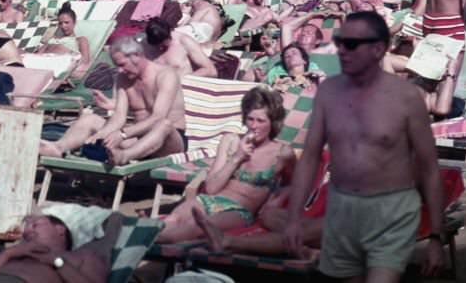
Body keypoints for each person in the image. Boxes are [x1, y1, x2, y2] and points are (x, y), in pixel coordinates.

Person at [284, 11, 446, 282]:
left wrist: (436, 237)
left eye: (351, 44)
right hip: (342, 207)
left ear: (378, 49)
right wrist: (293, 218)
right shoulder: (328, 92)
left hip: (391, 210)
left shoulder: (406, 97)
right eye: (339, 41)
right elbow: (310, 157)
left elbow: (429, 167)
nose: (341, 51)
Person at [157, 86, 295, 242]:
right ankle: (142, 239)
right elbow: (211, 188)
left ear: (273, 123)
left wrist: (276, 200)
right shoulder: (230, 141)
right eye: (250, 119)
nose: (254, 126)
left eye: (260, 120)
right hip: (209, 200)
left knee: (197, 227)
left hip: (239, 211)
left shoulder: (282, 153)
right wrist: (236, 158)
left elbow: (293, 184)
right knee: (173, 219)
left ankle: (143, 240)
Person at [39, 36, 186, 164]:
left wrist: (122, 134)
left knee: (164, 124)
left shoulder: (165, 75)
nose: (120, 70)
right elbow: (119, 117)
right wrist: (99, 135)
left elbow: (157, 118)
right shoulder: (124, 79)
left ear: (136, 55)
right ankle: (58, 147)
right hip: (137, 139)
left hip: (168, 142)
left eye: (122, 65)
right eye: (117, 66)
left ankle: (123, 157)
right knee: (89, 119)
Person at [0, 211, 111, 283]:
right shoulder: (17, 254)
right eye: (27, 228)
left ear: (60, 229)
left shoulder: (83, 256)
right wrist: (8, 254)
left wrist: (56, 262)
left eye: (36, 225)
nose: (28, 231)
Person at [143, 19, 216, 77]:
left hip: (183, 88)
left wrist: (181, 82)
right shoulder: (144, 45)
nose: (160, 47)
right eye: (158, 44)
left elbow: (210, 70)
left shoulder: (184, 41)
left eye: (163, 43)